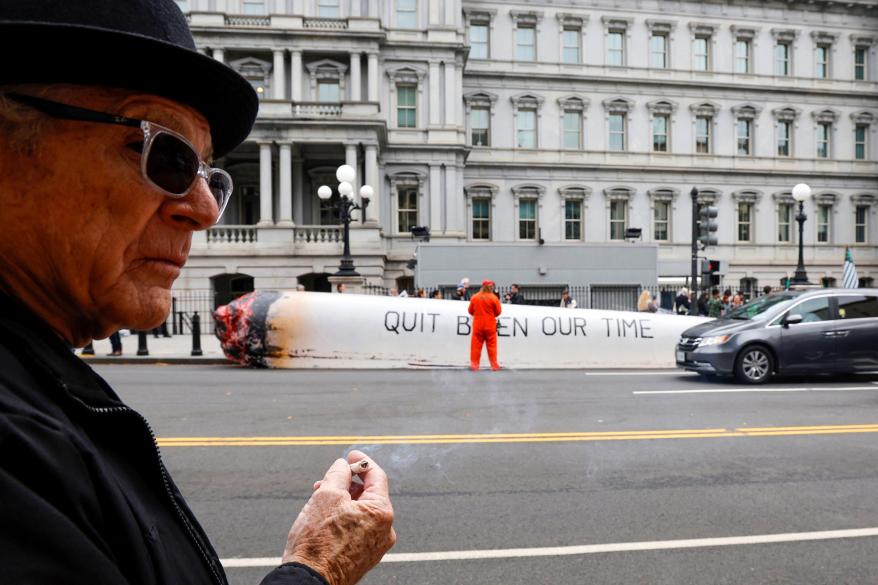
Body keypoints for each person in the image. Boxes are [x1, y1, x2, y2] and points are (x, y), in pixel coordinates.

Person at [0, 3, 395, 585]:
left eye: (211, 176)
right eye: (166, 155)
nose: (204, 209)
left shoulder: (39, 381)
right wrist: (317, 569)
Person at [467, 280, 502, 371]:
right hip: (490, 325)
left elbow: (470, 311)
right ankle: (494, 365)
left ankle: (474, 365)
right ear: (490, 287)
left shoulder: (475, 297)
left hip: (478, 325)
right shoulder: (494, 298)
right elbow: (498, 312)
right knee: (492, 346)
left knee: (475, 346)